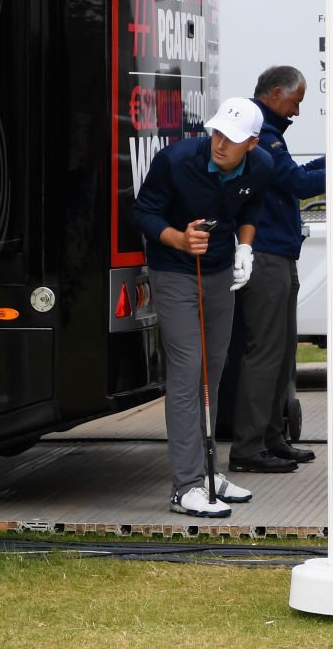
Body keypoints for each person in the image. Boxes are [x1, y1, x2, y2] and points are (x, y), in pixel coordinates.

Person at [227, 65, 333, 473]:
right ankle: (248, 449)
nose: (297, 112)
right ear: (276, 93)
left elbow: (294, 177)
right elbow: (298, 184)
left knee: (282, 352)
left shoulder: (269, 131)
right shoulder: (260, 134)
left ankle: (272, 437)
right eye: (296, 102)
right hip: (266, 253)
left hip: (281, 251)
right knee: (265, 352)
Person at [134, 97, 273, 517]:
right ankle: (187, 485)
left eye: (230, 138)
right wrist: (178, 238)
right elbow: (143, 212)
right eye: (216, 132)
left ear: (250, 142)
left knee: (211, 373)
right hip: (174, 271)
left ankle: (209, 472)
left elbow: (251, 207)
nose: (219, 143)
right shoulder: (176, 160)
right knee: (186, 371)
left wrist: (245, 248)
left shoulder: (262, 165)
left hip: (219, 273)